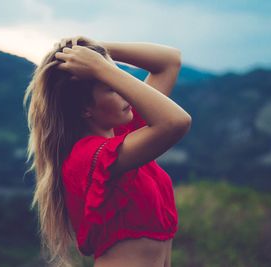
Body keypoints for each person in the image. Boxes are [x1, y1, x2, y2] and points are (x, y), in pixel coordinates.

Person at [23, 35, 191, 267]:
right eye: (112, 88)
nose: (127, 92)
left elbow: (170, 61)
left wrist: (95, 53)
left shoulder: (124, 135)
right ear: (85, 109)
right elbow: (176, 122)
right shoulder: (86, 156)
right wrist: (101, 67)